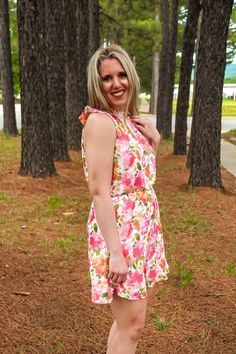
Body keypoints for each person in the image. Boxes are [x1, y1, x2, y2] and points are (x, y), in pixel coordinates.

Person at [79, 44, 169, 354]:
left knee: (126, 322)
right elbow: (100, 191)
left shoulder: (127, 120)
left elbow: (137, 175)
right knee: (132, 325)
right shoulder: (100, 122)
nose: (116, 84)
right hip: (120, 232)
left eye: (121, 75)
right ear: (97, 84)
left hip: (141, 229)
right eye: (107, 78)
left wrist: (153, 142)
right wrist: (115, 252)